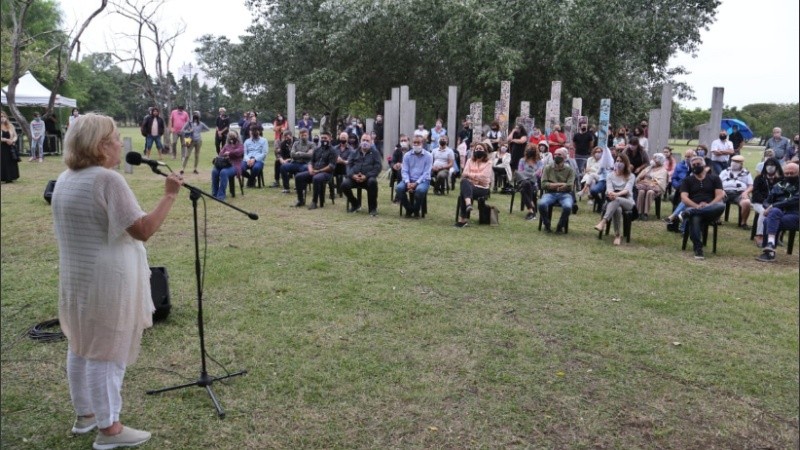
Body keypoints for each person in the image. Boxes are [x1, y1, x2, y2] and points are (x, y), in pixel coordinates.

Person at [52, 113, 182, 450]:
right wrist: (169, 195)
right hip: (106, 281)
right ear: (98, 146)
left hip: (78, 278)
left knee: (81, 344)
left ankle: (86, 415)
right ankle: (109, 429)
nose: (118, 144)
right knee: (106, 353)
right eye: (113, 139)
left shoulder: (66, 178)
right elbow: (142, 229)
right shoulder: (107, 181)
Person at [680, 156, 725, 259]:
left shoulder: (714, 178)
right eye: (693, 165)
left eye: (698, 164)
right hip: (694, 206)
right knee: (695, 218)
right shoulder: (687, 180)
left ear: (704, 165)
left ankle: (692, 212)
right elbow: (684, 198)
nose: (696, 166)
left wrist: (709, 205)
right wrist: (696, 206)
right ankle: (698, 249)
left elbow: (719, 195)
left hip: (712, 209)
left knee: (721, 205)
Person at [756, 162, 799, 262]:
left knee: (769, 220)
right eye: (787, 173)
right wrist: (769, 207)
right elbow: (767, 201)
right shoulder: (779, 185)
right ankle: (770, 245)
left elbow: (795, 200)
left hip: (795, 214)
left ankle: (769, 252)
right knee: (773, 214)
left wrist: (772, 206)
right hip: (778, 213)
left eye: (792, 173)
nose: (789, 175)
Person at [594, 153, 635, 246]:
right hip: (612, 200)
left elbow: (627, 190)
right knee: (617, 208)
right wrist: (611, 194)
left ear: (626, 163)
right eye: (617, 161)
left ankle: (603, 222)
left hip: (627, 201)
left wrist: (616, 195)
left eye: (621, 161)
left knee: (617, 200)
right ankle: (617, 235)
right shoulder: (610, 175)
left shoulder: (631, 176)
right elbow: (609, 189)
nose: (619, 163)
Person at [293, 132, 336, 209]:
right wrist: (310, 169)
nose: (323, 140)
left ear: (330, 139)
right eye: (322, 138)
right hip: (314, 171)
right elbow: (311, 161)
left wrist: (319, 171)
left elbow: (331, 166)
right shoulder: (317, 149)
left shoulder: (333, 151)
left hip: (326, 173)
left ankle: (314, 202)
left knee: (316, 178)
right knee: (298, 176)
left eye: (325, 138)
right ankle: (300, 200)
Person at [342, 133, 382, 215]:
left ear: (371, 142)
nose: (365, 142)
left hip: (368, 178)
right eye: (363, 140)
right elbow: (349, 165)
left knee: (372, 182)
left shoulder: (375, 153)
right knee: (344, 185)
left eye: (367, 140)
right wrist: (352, 175)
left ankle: (372, 209)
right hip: (354, 178)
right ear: (360, 141)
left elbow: (378, 167)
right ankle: (355, 204)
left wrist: (366, 176)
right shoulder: (354, 152)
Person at [455, 142, 492, 228]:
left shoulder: (488, 163)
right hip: (470, 186)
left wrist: (471, 176)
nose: (478, 150)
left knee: (464, 191)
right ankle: (468, 204)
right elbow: (464, 174)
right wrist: (476, 178)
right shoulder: (469, 161)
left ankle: (463, 219)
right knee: (464, 182)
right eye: (477, 149)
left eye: (480, 149)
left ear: (485, 151)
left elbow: (484, 177)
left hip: (482, 188)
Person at [538, 147, 575, 233]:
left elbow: (570, 186)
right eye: (555, 154)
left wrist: (551, 185)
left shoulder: (570, 170)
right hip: (550, 193)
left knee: (568, 207)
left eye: (559, 154)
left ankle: (560, 226)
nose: (556, 156)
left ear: (565, 157)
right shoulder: (548, 168)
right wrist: (561, 184)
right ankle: (547, 224)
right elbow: (543, 185)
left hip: (565, 194)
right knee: (541, 204)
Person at [396, 135, 432, 218]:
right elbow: (404, 171)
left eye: (418, 142)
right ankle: (409, 209)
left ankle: (416, 210)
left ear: (422, 143)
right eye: (414, 142)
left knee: (419, 190)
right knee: (399, 188)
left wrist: (416, 183)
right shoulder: (407, 155)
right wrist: (408, 182)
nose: (416, 144)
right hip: (409, 180)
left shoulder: (428, 156)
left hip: (423, 181)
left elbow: (426, 173)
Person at [751, 157, 783, 247]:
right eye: (768, 165)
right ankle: (759, 236)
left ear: (777, 167)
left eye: (772, 165)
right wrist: (765, 203)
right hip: (759, 203)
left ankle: (776, 236)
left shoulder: (781, 179)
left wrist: (772, 204)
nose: (770, 167)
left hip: (774, 204)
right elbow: (755, 193)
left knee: (778, 213)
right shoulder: (759, 178)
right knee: (763, 212)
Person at [718, 154, 753, 229]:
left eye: (737, 162)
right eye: (733, 161)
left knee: (746, 202)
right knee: (716, 199)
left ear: (741, 163)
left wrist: (746, 192)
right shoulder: (724, 171)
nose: (734, 163)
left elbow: (751, 185)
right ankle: (716, 219)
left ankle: (743, 223)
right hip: (725, 192)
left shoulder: (746, 173)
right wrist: (721, 190)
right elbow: (717, 183)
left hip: (739, 193)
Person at [211, 130, 244, 201]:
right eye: (230, 136)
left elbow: (239, 152)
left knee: (224, 172)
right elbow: (220, 154)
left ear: (237, 137)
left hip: (235, 165)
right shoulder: (226, 145)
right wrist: (224, 154)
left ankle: (221, 195)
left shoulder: (240, 145)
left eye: (233, 136)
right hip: (224, 164)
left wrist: (229, 153)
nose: (231, 138)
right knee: (214, 171)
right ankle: (214, 193)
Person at [635, 153, 668, 221]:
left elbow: (661, 183)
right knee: (641, 191)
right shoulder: (649, 168)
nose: (652, 160)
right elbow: (638, 178)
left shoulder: (663, 171)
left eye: (654, 158)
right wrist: (641, 177)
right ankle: (638, 212)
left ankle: (645, 213)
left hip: (655, 188)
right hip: (643, 186)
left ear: (659, 161)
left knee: (650, 192)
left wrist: (649, 182)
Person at [280, 128, 315, 193]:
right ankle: (286, 188)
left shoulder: (312, 144)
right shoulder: (296, 143)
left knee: (305, 168)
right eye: (302, 135)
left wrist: (299, 153)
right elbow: (292, 154)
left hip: (305, 163)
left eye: (305, 135)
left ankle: (302, 188)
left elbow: (311, 155)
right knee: (283, 167)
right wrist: (305, 153)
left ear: (308, 135)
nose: (303, 137)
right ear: (299, 135)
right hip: (294, 163)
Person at [516, 145, 541, 221]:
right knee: (526, 183)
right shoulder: (522, 160)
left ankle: (530, 211)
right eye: (528, 149)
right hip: (523, 181)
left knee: (524, 189)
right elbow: (520, 172)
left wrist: (530, 174)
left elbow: (539, 174)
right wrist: (531, 174)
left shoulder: (539, 162)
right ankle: (532, 207)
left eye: (531, 149)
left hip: (534, 183)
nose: (530, 150)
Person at [1, 111, 21, 183]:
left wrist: (13, 141)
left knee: (11, 161)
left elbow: (15, 135)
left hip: (10, 146)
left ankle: (12, 177)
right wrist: (6, 140)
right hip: (2, 147)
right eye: (1, 117)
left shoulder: (10, 125)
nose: (2, 118)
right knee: (3, 162)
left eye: (4, 116)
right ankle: (3, 178)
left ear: (6, 117)